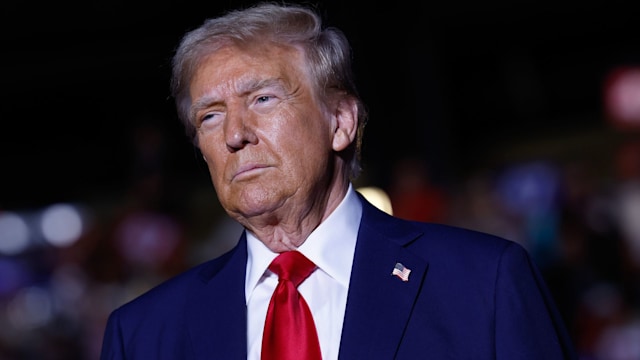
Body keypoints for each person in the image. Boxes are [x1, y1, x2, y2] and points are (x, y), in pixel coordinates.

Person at [99, 2, 578, 359]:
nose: (235, 134)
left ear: (341, 121)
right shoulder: (143, 335)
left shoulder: (482, 283)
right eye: (209, 116)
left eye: (263, 99)